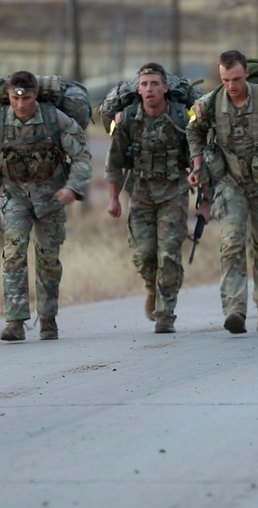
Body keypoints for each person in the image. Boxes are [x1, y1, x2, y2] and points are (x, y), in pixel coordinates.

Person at [0, 70, 92, 342]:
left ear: (36, 95)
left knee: (48, 259)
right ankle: (15, 321)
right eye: (15, 98)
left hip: (51, 198)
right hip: (15, 196)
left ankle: (47, 318)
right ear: (8, 96)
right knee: (14, 253)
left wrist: (72, 188)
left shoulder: (55, 119)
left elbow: (81, 155)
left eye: (27, 98)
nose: (21, 104)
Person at [187, 50, 258, 334]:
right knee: (231, 244)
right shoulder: (209, 103)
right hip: (229, 183)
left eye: (236, 79)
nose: (231, 85)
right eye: (225, 79)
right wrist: (197, 165)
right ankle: (234, 310)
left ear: (247, 75)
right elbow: (193, 131)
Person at [105, 62, 191, 334]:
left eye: (155, 84)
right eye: (144, 84)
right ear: (138, 90)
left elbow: (197, 153)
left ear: (166, 88)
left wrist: (203, 189)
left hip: (173, 193)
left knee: (169, 255)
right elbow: (114, 161)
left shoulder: (181, 117)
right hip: (140, 194)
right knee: (144, 255)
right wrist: (113, 198)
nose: (149, 89)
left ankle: (166, 313)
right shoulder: (127, 119)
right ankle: (150, 287)